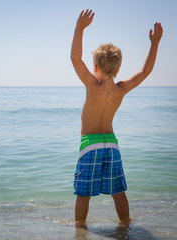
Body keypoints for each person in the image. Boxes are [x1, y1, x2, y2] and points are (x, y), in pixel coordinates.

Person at [70, 9, 163, 228]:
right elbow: (145, 71)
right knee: (118, 192)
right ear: (118, 68)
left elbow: (74, 59)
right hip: (111, 145)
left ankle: (80, 231)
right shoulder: (120, 89)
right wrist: (155, 43)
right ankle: (125, 225)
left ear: (95, 68)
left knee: (84, 195)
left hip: (90, 144)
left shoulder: (92, 85)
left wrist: (79, 28)